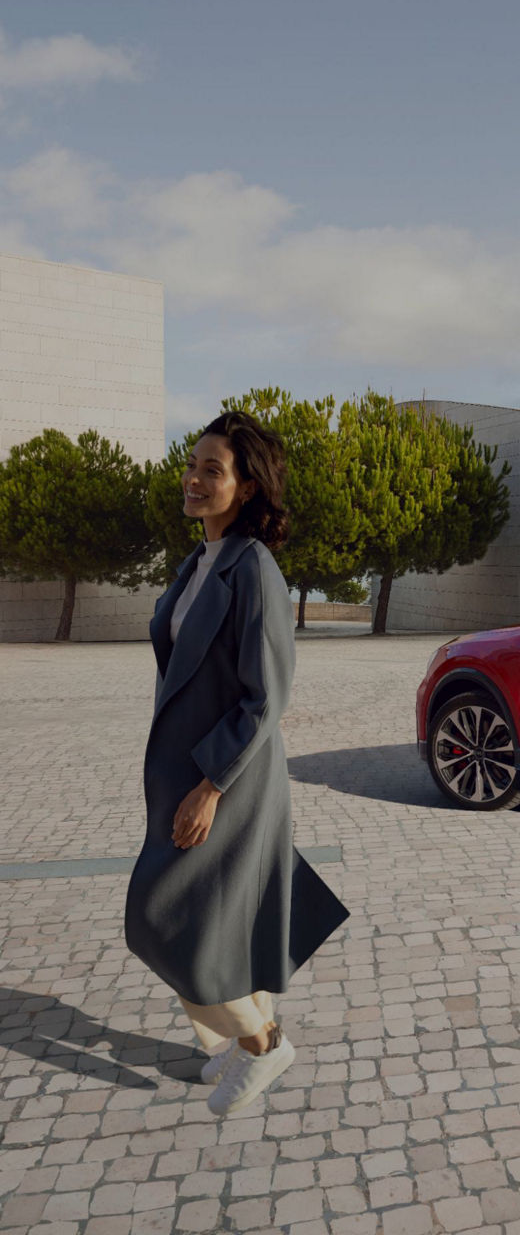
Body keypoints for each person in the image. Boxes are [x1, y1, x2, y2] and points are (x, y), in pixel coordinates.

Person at [126, 410, 348, 1116]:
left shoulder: (254, 570)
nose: (192, 478)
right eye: (191, 465)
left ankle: (261, 1045)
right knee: (213, 919)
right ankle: (235, 1037)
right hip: (181, 776)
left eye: (212, 470)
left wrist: (211, 785)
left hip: (227, 780)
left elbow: (264, 696)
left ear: (247, 486)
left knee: (165, 920)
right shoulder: (200, 561)